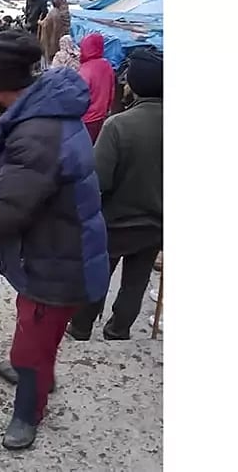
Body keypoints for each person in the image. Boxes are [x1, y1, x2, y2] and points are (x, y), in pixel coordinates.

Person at [0, 30, 109, 451]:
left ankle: (29, 409)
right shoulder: (47, 108)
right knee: (39, 328)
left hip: (57, 259)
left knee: (33, 335)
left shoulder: (35, 135)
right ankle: (38, 371)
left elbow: (7, 210)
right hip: (63, 245)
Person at [68, 48, 162, 342]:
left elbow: (99, 181)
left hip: (114, 224)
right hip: (156, 224)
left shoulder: (119, 125)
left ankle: (82, 327)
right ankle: (118, 330)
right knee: (136, 282)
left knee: (97, 277)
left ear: (133, 84)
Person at [77, 33, 116, 142]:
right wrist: (108, 109)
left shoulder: (84, 70)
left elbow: (79, 97)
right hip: (101, 115)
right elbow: (111, 90)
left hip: (86, 119)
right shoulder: (107, 65)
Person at [38, 0, 70, 67]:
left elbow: (45, 24)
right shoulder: (65, 12)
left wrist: (39, 21)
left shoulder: (53, 13)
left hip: (53, 40)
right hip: (63, 38)